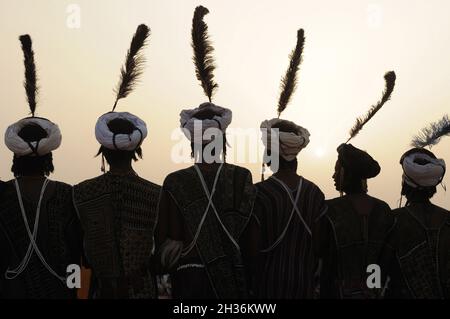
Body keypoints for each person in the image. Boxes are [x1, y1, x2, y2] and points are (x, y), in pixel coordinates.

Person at [72, 24, 160, 299]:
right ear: (136, 149)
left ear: (104, 150)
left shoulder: (81, 193)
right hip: (142, 290)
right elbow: (160, 259)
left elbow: (81, 256)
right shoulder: (156, 195)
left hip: (102, 291)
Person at [0, 35, 82, 299]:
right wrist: (74, 292)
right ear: (49, 158)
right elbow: (76, 254)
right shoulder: (67, 194)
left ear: (16, 156)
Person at [253, 119, 327, 299]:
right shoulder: (314, 193)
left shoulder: (259, 193)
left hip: (267, 288)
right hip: (304, 286)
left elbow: (251, 249)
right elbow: (319, 247)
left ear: (270, 153)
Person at [318, 144, 395, 299]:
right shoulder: (383, 209)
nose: (333, 176)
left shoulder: (329, 209)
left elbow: (321, 258)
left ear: (346, 173)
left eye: (336, 170)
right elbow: (387, 260)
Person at [380, 148, 449, 298]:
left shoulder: (393, 219)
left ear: (405, 185)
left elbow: (378, 267)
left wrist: (369, 289)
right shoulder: (447, 219)